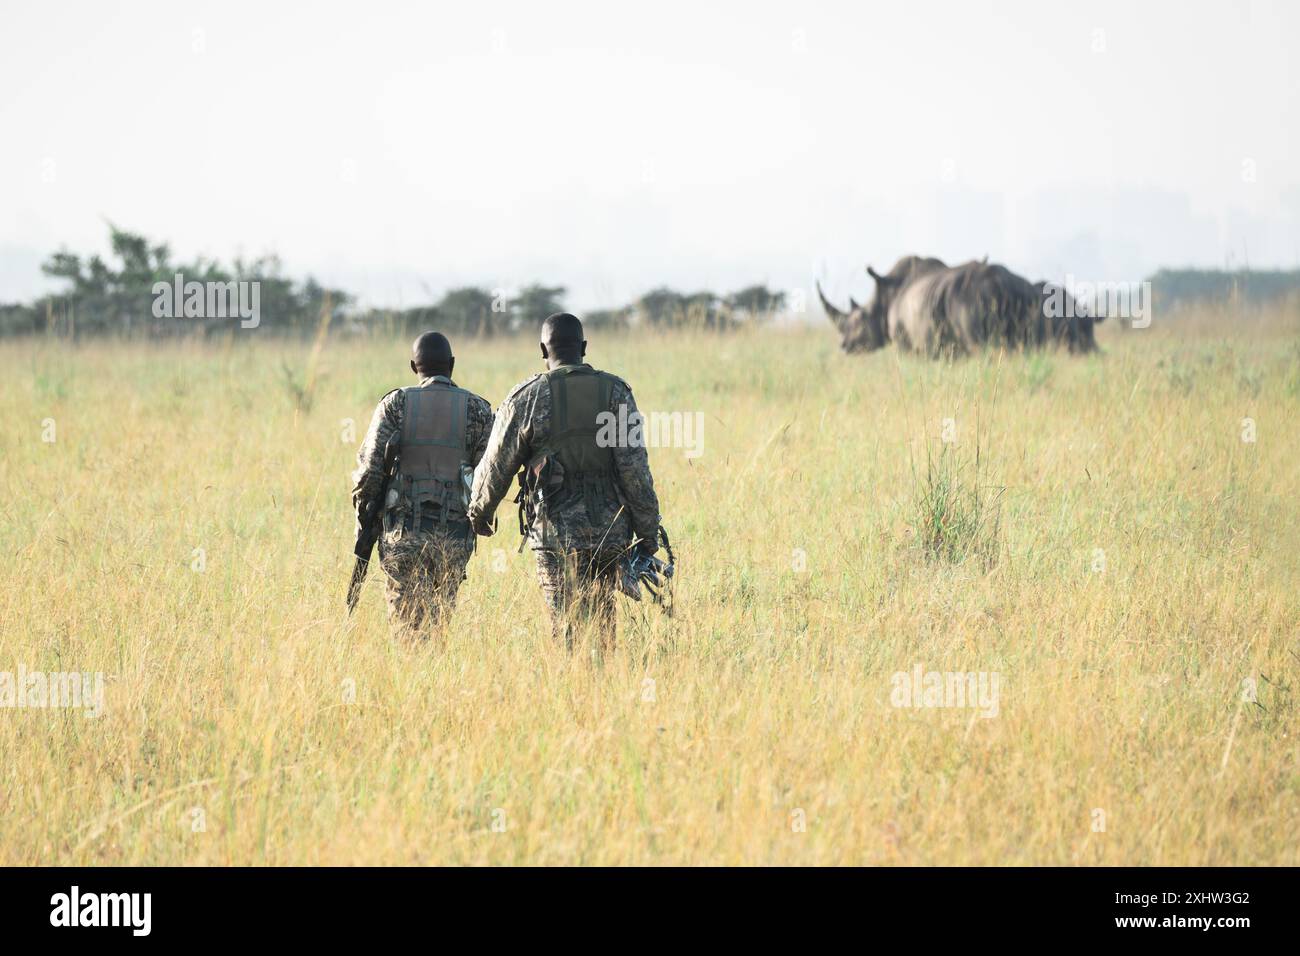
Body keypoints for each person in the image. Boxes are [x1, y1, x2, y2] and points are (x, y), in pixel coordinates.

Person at [468, 312, 661, 648]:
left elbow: (495, 467)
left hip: (554, 533)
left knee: (565, 627)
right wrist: (647, 534)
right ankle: (601, 689)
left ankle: (573, 689)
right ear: (584, 347)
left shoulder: (526, 398)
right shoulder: (615, 393)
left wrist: (480, 516)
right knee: (602, 627)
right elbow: (636, 472)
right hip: (609, 533)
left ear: (544, 350)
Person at [351, 331, 493, 639]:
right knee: (438, 625)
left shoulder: (396, 404)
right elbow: (489, 476)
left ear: (414, 367)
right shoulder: (478, 409)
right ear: (452, 365)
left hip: (403, 534)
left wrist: (367, 514)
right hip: (454, 538)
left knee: (406, 631)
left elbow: (370, 472)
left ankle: (415, 681)